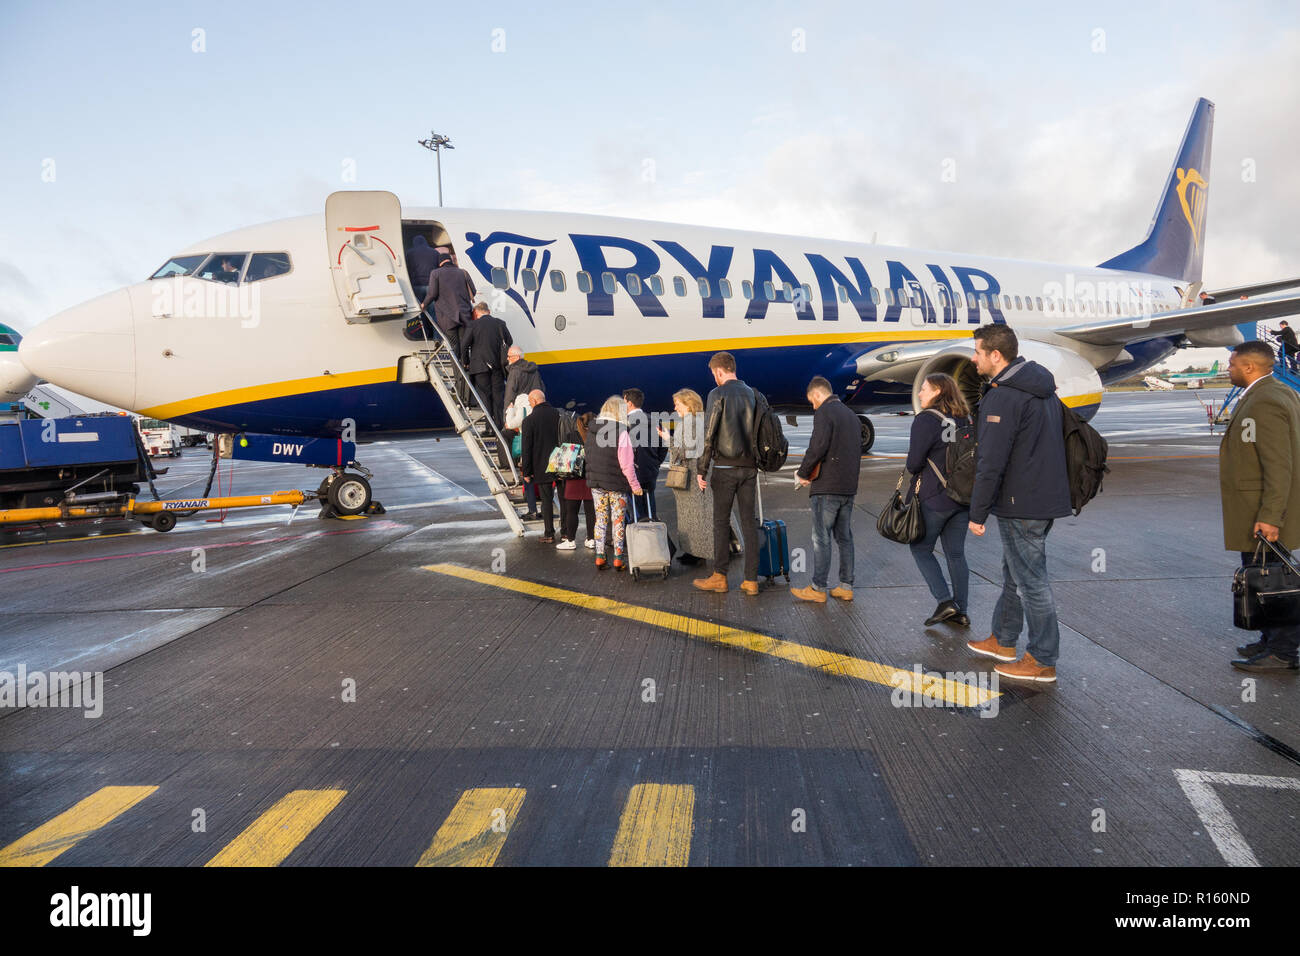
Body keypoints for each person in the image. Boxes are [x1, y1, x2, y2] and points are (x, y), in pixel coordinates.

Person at [964, 324, 1072, 683]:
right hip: (1045, 498)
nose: (973, 358)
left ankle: (1042, 659)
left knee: (1032, 583)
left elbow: (990, 460)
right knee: (1015, 574)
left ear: (996, 355)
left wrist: (976, 513)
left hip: (1021, 503)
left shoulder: (1004, 396)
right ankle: (1004, 640)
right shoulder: (1043, 390)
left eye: (977, 352)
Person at [1220, 340, 1300, 672]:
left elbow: (1277, 465)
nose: (1229, 369)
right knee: (1262, 578)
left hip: (1262, 513)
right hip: (1257, 510)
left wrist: (1269, 516)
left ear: (1249, 367)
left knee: (1275, 583)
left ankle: (1283, 652)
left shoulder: (1265, 401)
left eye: (1232, 364)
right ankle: (1270, 641)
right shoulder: (1273, 392)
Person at [905, 373, 973, 625]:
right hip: (962, 497)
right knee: (956, 554)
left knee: (920, 548)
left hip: (934, 497)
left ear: (937, 391)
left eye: (924, 389)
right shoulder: (965, 417)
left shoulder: (926, 420)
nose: (920, 393)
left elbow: (914, 464)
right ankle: (961, 611)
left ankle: (944, 601)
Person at [694, 352, 760, 595]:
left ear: (719, 371)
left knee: (720, 523)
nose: (714, 378)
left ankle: (720, 577)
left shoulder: (717, 394)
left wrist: (702, 469)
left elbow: (709, 433)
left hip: (724, 468)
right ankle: (751, 580)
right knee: (748, 523)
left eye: (714, 374)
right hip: (749, 468)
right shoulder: (753, 394)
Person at [792, 377, 859, 602]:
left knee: (821, 538)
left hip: (827, 486)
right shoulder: (851, 415)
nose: (813, 406)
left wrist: (802, 473)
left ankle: (818, 588)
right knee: (844, 537)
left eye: (812, 401)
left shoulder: (824, 413)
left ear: (819, 395)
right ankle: (846, 586)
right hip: (848, 488)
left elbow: (817, 446)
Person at [658, 388, 741, 566]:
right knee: (703, 514)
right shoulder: (698, 420)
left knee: (697, 516)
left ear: (688, 404)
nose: (675, 407)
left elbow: (687, 450)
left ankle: (698, 552)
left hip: (692, 476)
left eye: (678, 404)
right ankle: (711, 548)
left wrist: (668, 439)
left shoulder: (690, 423)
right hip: (696, 474)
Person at [584, 395, 644, 570]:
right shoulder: (621, 431)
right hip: (616, 484)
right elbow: (626, 464)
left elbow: (589, 456)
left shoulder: (592, 431)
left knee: (600, 519)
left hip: (596, 483)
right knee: (618, 520)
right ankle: (618, 558)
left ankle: (600, 556)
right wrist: (635, 486)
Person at [461, 302, 513, 429]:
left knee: (485, 397)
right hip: (497, 366)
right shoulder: (500, 323)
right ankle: (500, 426)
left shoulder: (473, 325)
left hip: (479, 367)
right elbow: (509, 341)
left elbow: (464, 345)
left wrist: (466, 362)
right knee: (498, 397)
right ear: (488, 311)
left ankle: (490, 427)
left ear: (477, 313)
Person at [519, 389, 562, 542]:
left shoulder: (529, 421)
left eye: (530, 402)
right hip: (560, 463)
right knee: (564, 499)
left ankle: (549, 533)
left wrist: (527, 472)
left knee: (546, 501)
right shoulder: (558, 415)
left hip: (542, 467)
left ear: (535, 401)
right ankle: (566, 533)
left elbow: (527, 449)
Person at [623, 387, 669, 527]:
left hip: (633, 473)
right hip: (651, 470)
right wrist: (656, 463)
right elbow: (664, 445)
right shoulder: (654, 420)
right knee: (650, 504)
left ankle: (640, 539)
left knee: (636, 511)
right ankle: (653, 533)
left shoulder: (624, 424)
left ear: (629, 403)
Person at [502, 346, 546, 485]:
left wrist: (506, 418)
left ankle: (511, 464)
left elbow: (509, 395)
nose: (507, 359)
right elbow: (541, 389)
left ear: (516, 357)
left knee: (509, 436)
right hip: (534, 411)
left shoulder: (514, 372)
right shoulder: (534, 371)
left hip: (519, 412)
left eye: (509, 357)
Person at [420, 255, 476, 359]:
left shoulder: (435, 273)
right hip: (464, 315)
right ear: (450, 261)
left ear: (440, 262)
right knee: (464, 346)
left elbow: (432, 293)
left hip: (447, 317)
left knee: (454, 347)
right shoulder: (462, 272)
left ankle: (458, 374)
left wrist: (424, 304)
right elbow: (473, 291)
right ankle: (466, 369)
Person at [558, 412, 597, 551]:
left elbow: (564, 459)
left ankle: (570, 540)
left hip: (574, 479)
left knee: (571, 511)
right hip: (591, 478)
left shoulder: (571, 436)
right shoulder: (598, 437)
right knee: (591, 512)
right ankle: (592, 539)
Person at [406, 235, 440, 302]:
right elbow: (439, 268)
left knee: (419, 306)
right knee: (432, 307)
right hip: (432, 284)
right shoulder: (435, 252)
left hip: (416, 284)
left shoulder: (409, 253)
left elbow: (407, 268)